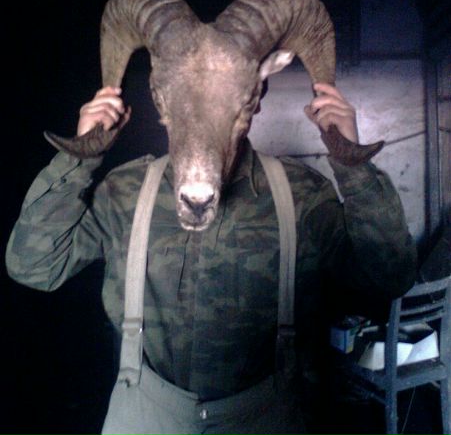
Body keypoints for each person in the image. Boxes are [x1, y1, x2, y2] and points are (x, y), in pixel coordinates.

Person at [6, 83, 417, 434]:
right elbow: (34, 265)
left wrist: (352, 162)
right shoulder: (126, 191)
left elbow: (389, 276)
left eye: (227, 91)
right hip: (147, 412)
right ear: (162, 101)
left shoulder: (301, 194)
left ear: (254, 100)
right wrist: (79, 156)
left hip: (265, 415)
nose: (204, 108)